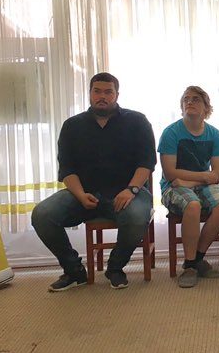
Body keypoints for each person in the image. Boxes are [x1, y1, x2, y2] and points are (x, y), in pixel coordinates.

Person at [33, 72, 156, 291]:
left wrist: (131, 189)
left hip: (126, 192)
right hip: (83, 193)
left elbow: (146, 163)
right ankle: (74, 271)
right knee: (42, 215)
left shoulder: (137, 121)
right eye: (97, 91)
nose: (102, 97)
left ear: (117, 95)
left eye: (108, 92)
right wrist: (80, 195)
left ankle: (115, 268)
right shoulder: (72, 126)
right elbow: (67, 169)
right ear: (89, 94)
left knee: (138, 217)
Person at [157, 86, 219, 289]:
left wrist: (189, 181)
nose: (190, 102)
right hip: (172, 188)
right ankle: (190, 266)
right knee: (193, 205)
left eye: (196, 99)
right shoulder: (171, 133)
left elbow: (217, 173)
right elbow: (170, 174)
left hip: (196, 183)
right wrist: (203, 177)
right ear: (181, 107)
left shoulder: (214, 134)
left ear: (206, 108)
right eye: (186, 99)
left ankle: (196, 258)